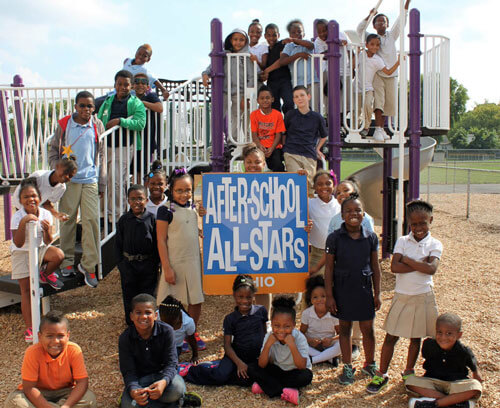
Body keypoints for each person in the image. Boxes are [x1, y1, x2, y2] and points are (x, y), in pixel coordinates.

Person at [367, 200, 443, 393]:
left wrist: (406, 261)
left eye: (422, 223)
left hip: (423, 295)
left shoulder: (435, 244)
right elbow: (394, 267)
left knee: (415, 338)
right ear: (409, 222)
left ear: (431, 220)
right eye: (414, 224)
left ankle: (408, 372)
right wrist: (417, 262)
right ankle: (381, 373)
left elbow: (431, 269)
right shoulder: (402, 241)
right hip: (402, 296)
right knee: (391, 336)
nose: (418, 227)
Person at [48, 90, 106, 286]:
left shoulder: (96, 124)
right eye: (82, 105)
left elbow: (102, 154)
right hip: (69, 180)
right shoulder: (65, 124)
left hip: (90, 179)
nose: (86, 109)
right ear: (75, 106)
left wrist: (102, 180)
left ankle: (89, 266)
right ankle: (67, 262)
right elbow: (54, 148)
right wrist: (57, 171)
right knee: (68, 220)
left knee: (91, 221)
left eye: (90, 106)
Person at [325, 193, 382, 385]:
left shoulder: (371, 237)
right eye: (348, 210)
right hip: (342, 290)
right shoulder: (334, 238)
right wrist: (330, 296)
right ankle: (347, 367)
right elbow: (329, 269)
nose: (353, 213)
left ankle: (370, 363)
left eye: (357, 210)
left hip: (364, 290)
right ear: (341, 216)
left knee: (368, 329)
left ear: (364, 213)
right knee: (345, 329)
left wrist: (378, 293)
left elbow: (376, 267)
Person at [118, 294, 202, 408]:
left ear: (156, 315)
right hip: (141, 381)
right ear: (131, 316)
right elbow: (128, 371)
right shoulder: (125, 338)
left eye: (148, 312)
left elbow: (171, 364)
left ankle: (166, 401)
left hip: (163, 378)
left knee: (177, 389)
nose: (143, 316)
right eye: (138, 312)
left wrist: (163, 382)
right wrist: (134, 389)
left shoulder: (167, 331)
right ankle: (175, 404)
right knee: (128, 405)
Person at [184, 275, 267, 386]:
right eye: (240, 297)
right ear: (234, 296)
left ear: (253, 296)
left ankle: (234, 373)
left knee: (254, 378)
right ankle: (192, 370)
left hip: (254, 356)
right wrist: (239, 363)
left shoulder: (261, 311)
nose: (244, 301)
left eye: (248, 297)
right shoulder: (230, 319)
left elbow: (265, 335)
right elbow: (227, 346)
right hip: (235, 356)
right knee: (219, 377)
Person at [156, 168, 206, 350]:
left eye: (188, 190)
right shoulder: (165, 210)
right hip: (175, 261)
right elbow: (161, 240)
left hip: (193, 261)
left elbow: (195, 230)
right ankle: (172, 335)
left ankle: (191, 333)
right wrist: (166, 267)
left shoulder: (193, 208)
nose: (185, 194)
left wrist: (202, 218)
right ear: (171, 189)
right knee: (172, 300)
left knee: (195, 299)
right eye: (180, 190)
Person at [4, 310, 96, 408]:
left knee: (89, 398)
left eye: (60, 336)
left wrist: (67, 406)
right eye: (49, 336)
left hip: (65, 392)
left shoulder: (74, 350)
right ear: (40, 336)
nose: (55, 341)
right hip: (37, 393)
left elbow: (82, 382)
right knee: (15, 402)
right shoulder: (32, 352)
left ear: (68, 336)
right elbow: (29, 388)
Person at [11, 179, 65, 342]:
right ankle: (30, 327)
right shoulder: (17, 216)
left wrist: (48, 230)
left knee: (58, 255)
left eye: (34, 196)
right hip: (21, 252)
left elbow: (48, 241)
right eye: (26, 197)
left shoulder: (46, 214)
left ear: (39, 197)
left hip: (40, 249)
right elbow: (18, 243)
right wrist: (24, 222)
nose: (31, 200)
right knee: (26, 291)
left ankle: (45, 274)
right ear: (20, 200)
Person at [96, 70, 146, 223]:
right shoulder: (108, 101)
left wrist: (120, 121)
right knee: (104, 180)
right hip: (106, 146)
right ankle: (103, 213)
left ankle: (118, 215)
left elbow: (140, 123)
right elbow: (99, 120)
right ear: (115, 85)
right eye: (119, 84)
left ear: (131, 87)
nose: (123, 87)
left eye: (126, 85)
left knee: (117, 181)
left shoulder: (135, 102)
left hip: (124, 146)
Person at [357, 0, 411, 141]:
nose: (381, 24)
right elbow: (360, 30)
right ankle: (378, 129)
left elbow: (401, 22)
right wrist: (369, 16)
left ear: (387, 24)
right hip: (378, 74)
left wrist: (406, 5)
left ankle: (384, 129)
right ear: (374, 25)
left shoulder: (391, 36)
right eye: (378, 22)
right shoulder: (372, 38)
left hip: (391, 73)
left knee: (390, 103)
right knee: (379, 102)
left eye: (384, 21)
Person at [406, 313, 483, 408]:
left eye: (449, 333)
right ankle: (453, 402)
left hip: (455, 384)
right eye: (439, 332)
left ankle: (434, 404)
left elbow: (473, 363)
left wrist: (476, 372)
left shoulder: (463, 350)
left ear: (459, 335)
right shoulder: (428, 345)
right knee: (410, 381)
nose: (443, 337)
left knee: (476, 387)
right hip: (433, 382)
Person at [248, 296, 313, 405]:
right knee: (252, 367)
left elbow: (302, 366)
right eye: (276, 326)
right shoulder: (269, 336)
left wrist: (292, 345)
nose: (281, 330)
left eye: (286, 326)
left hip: (294, 371)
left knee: (306, 376)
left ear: (293, 325)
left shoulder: (299, 337)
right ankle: (284, 391)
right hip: (277, 370)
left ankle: (267, 387)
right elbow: (262, 364)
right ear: (272, 324)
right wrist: (268, 345)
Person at [115, 185, 159, 325]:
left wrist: (156, 264)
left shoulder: (151, 219)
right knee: (130, 296)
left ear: (146, 200)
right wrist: (121, 265)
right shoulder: (124, 220)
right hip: (129, 266)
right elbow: (118, 244)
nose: (136, 202)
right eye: (133, 199)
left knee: (148, 296)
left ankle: (148, 323)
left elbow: (157, 243)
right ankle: (131, 325)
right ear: (128, 201)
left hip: (148, 266)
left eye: (140, 198)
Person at [202, 28, 255, 143]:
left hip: (240, 91)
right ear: (230, 40)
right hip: (224, 90)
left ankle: (233, 141)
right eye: (235, 39)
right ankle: (217, 140)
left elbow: (251, 77)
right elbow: (213, 66)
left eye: (241, 40)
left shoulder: (247, 57)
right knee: (218, 114)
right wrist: (206, 74)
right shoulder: (225, 55)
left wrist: (247, 96)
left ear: (246, 42)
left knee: (237, 114)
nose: (238, 42)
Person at [282, 86, 327, 191]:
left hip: (309, 154)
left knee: (309, 187)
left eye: (302, 95)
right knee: (295, 182)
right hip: (291, 153)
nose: (299, 98)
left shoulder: (317, 117)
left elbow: (324, 136)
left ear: (309, 96)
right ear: (294, 100)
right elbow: (284, 134)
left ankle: (307, 207)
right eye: (296, 97)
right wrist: (285, 148)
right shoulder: (290, 115)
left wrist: (317, 149)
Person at [358, 34, 400, 141]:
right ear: (366, 45)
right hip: (357, 86)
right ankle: (356, 126)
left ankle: (366, 127)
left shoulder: (378, 60)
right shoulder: (361, 54)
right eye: (372, 44)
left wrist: (398, 63)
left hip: (368, 88)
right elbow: (354, 65)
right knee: (356, 109)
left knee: (368, 104)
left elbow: (389, 71)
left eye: (377, 45)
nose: (375, 47)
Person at [12, 157, 77, 221]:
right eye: (65, 172)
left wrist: (57, 214)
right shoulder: (39, 177)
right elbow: (25, 195)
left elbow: (46, 203)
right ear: (57, 167)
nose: (66, 177)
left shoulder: (61, 188)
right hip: (21, 205)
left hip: (35, 209)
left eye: (70, 176)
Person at [300, 275, 341, 365]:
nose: (319, 300)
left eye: (323, 296)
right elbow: (301, 333)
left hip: (329, 344)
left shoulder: (334, 312)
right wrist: (310, 340)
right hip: (311, 346)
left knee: (343, 343)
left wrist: (331, 339)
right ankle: (328, 358)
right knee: (295, 340)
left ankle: (313, 360)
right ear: (310, 300)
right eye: (315, 297)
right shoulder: (307, 313)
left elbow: (341, 334)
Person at [280, 20, 320, 110]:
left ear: (304, 33)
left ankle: (314, 124)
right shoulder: (289, 47)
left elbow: (311, 46)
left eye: (299, 32)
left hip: (312, 81)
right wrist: (298, 55)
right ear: (290, 35)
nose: (297, 34)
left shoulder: (306, 43)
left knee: (314, 108)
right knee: (301, 108)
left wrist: (295, 40)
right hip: (297, 83)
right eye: (293, 32)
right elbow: (282, 61)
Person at [131, 73, 163, 179]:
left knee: (143, 168)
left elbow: (160, 108)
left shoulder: (150, 96)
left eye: (143, 83)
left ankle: (143, 189)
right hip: (133, 139)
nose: (140, 85)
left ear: (148, 86)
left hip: (146, 139)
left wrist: (142, 103)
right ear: (132, 86)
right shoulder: (130, 99)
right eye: (137, 82)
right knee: (132, 167)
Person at [307, 170, 340, 277]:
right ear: (314, 187)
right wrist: (301, 175)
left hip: (338, 254)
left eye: (328, 183)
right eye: (319, 184)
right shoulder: (309, 202)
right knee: (314, 286)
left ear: (334, 185)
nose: (324, 187)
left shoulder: (339, 204)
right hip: (317, 254)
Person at [250, 86, 286, 172]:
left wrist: (272, 148)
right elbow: (254, 134)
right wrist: (259, 146)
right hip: (260, 146)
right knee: (255, 164)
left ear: (272, 99)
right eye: (262, 98)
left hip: (274, 146)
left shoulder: (277, 115)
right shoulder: (254, 115)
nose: (265, 100)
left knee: (278, 165)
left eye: (267, 98)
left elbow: (278, 135)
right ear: (258, 100)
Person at [260, 23, 294, 113]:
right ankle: (278, 126)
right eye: (269, 35)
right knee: (274, 106)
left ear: (278, 35)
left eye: (274, 35)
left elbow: (281, 61)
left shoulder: (281, 45)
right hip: (271, 82)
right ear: (265, 36)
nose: (271, 38)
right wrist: (264, 74)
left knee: (289, 102)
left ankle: (288, 124)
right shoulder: (265, 51)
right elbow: (263, 66)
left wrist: (267, 70)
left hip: (284, 80)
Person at [159, 295, 198, 363]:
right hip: (158, 344)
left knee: (168, 362)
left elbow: (192, 339)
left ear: (179, 316)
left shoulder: (188, 322)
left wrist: (195, 356)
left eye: (172, 325)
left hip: (174, 347)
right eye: (165, 324)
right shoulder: (157, 315)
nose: (169, 328)